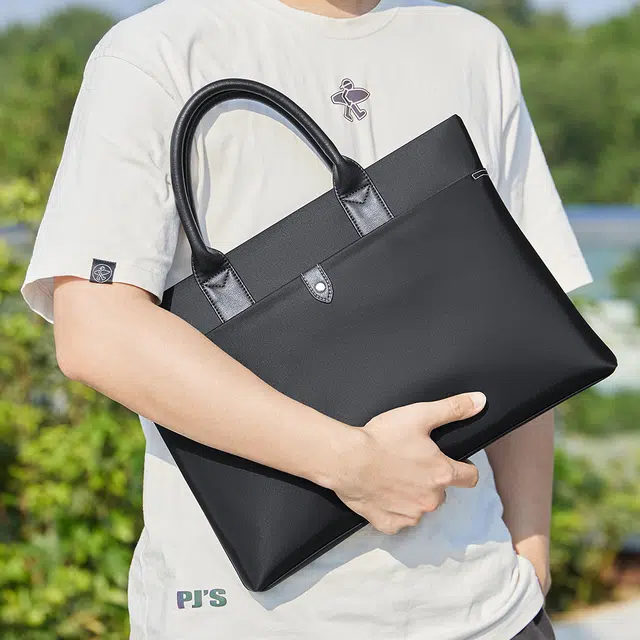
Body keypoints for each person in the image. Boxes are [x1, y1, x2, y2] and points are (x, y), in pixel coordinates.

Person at [21, 1, 593, 638]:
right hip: (248, 620)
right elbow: (98, 330)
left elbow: (523, 322)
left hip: (490, 613)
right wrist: (351, 464)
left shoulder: (469, 46)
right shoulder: (160, 50)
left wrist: (530, 557)